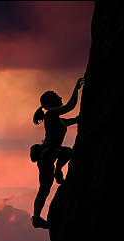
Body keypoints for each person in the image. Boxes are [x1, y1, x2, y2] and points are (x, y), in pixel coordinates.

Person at [31, 77, 84, 229]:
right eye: (56, 96)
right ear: (50, 103)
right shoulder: (50, 114)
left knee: (45, 187)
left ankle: (36, 217)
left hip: (49, 154)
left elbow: (70, 120)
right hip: (48, 153)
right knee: (68, 153)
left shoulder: (56, 118)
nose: (60, 97)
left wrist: (79, 119)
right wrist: (76, 88)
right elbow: (70, 106)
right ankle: (36, 217)